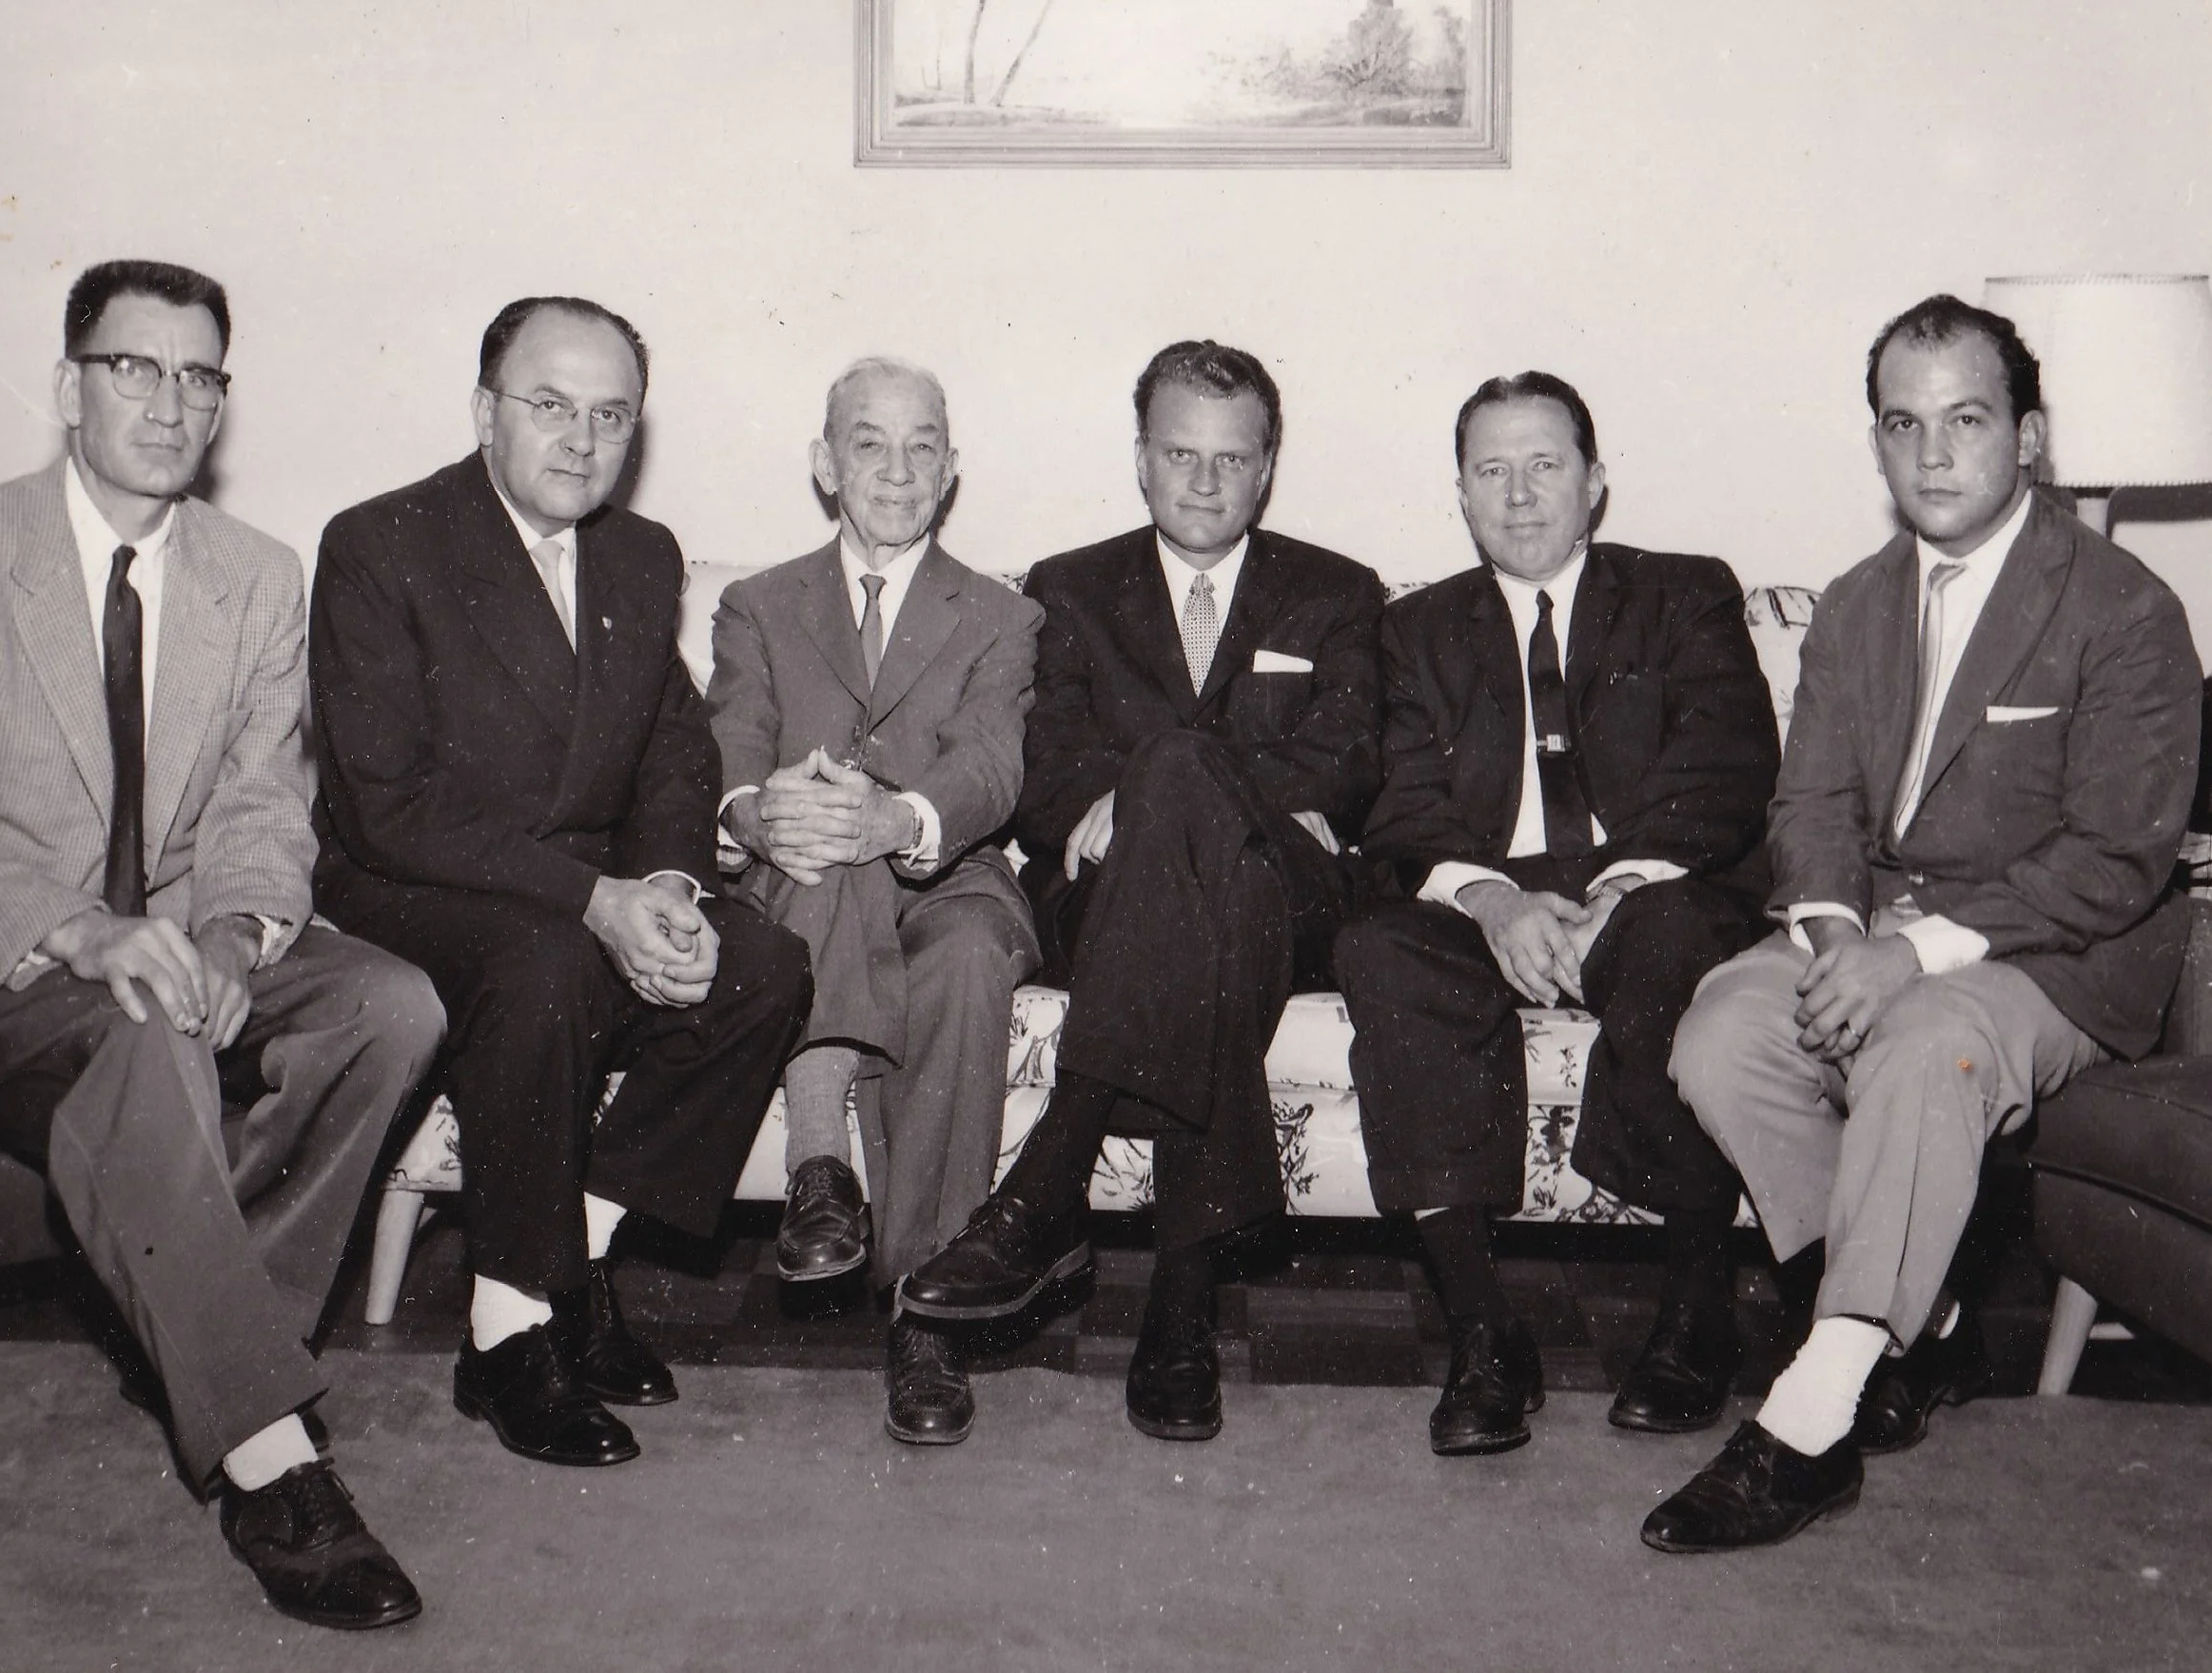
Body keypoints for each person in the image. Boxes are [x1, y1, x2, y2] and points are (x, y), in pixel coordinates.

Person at [0, 260, 444, 1630]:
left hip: (175, 924)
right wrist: (91, 931)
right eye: (135, 367)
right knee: (142, 1021)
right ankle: (271, 1459)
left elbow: (259, 800)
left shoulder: (255, 576)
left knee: (389, 1005)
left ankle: (196, 1338)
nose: (171, 403)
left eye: (200, 376)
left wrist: (229, 928)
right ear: (68, 388)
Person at [1644, 294, 2201, 1552]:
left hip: (2060, 955)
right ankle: (1923, 1328)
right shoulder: (1853, 603)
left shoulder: (2125, 609)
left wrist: (1910, 955)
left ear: (2032, 436)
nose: (1934, 453)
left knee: (1923, 1040)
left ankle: (1811, 1418)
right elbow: (1815, 800)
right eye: (1905, 425)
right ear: (1879, 443)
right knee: (1725, 1028)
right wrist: (1836, 927)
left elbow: (2120, 856)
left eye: (1966, 420)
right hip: (1887, 926)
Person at [309, 296, 812, 1472]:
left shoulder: (639, 554)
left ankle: (570, 1263)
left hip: (580, 887)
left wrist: (676, 889)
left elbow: (674, 752)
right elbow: (388, 805)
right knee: (541, 967)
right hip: (412, 879)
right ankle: (506, 1335)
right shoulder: (381, 543)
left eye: (612, 415)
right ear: (486, 411)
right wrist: (595, 904)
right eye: (550, 406)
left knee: (762, 968)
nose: (582, 441)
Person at [900, 340, 1384, 1443]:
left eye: (1232, 458)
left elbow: (1347, 762)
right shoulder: (1068, 588)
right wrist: (1140, 801)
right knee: (1182, 874)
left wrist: (1175, 791)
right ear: (1139, 458)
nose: (1204, 482)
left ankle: (1047, 1182)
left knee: (1173, 768)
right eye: (1180, 454)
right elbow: (1044, 762)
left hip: (1288, 897)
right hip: (1110, 899)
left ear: (1267, 467)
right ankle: (1178, 1308)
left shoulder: (1336, 590)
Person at [1333, 373, 1779, 1456]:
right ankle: (1483, 1331)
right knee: (1378, 947)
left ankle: (1693, 1313)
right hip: (1492, 887)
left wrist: (1620, 888)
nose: (1520, 495)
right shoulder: (1412, 627)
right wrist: (1489, 900)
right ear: (1460, 492)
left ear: (1596, 484)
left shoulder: (1685, 594)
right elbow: (1397, 798)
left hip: (1653, 883)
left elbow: (1724, 769)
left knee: (1668, 940)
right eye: (1492, 471)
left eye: (1545, 466)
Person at [707, 357, 1043, 1445]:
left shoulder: (1002, 615)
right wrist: (766, 815)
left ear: (950, 473)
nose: (897, 471)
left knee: (964, 955)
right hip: (797, 867)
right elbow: (733, 750)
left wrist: (895, 818)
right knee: (818, 841)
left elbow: (992, 762)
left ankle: (918, 1303)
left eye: (922, 447)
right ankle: (828, 1178)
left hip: (947, 874)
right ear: (823, 464)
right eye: (868, 442)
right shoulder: (756, 604)